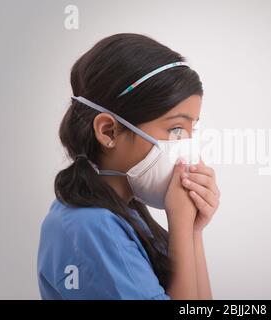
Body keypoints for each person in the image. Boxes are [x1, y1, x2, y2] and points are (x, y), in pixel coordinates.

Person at [37, 33, 220, 300]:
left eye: (193, 129)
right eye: (177, 129)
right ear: (109, 131)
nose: (188, 147)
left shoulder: (125, 213)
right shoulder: (92, 227)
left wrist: (192, 231)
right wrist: (180, 224)